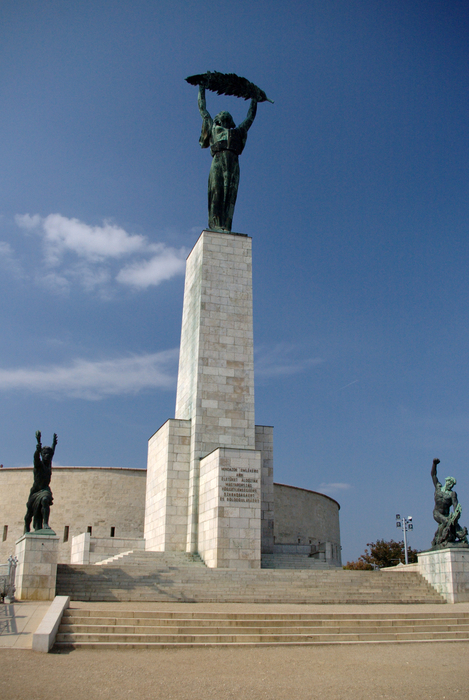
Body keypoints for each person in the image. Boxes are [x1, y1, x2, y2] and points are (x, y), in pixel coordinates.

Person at [198, 84, 257, 232]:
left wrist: (255, 99)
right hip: (218, 160)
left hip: (233, 162)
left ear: (230, 121)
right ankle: (215, 224)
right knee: (217, 192)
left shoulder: (237, 132)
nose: (224, 114)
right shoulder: (213, 128)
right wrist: (201, 88)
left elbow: (250, 118)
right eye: (221, 113)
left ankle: (226, 226)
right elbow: (203, 110)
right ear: (218, 119)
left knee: (230, 195)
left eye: (226, 114)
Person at [24, 431, 57, 533]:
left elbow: (52, 453)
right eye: (45, 454)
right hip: (36, 490)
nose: (47, 456)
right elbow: (36, 458)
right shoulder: (39, 465)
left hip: (45, 490)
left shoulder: (48, 464)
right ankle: (26, 526)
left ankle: (45, 523)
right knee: (29, 514)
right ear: (42, 455)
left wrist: (54, 444)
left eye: (49, 454)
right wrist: (37, 450)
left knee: (45, 499)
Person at [431, 458, 468, 547]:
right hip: (437, 513)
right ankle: (441, 539)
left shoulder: (452, 494)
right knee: (446, 521)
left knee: (451, 523)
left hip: (447, 514)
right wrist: (434, 464)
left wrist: (455, 515)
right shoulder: (438, 488)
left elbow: (455, 505)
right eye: (450, 483)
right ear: (446, 481)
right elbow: (433, 475)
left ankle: (461, 536)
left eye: (452, 484)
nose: (451, 485)